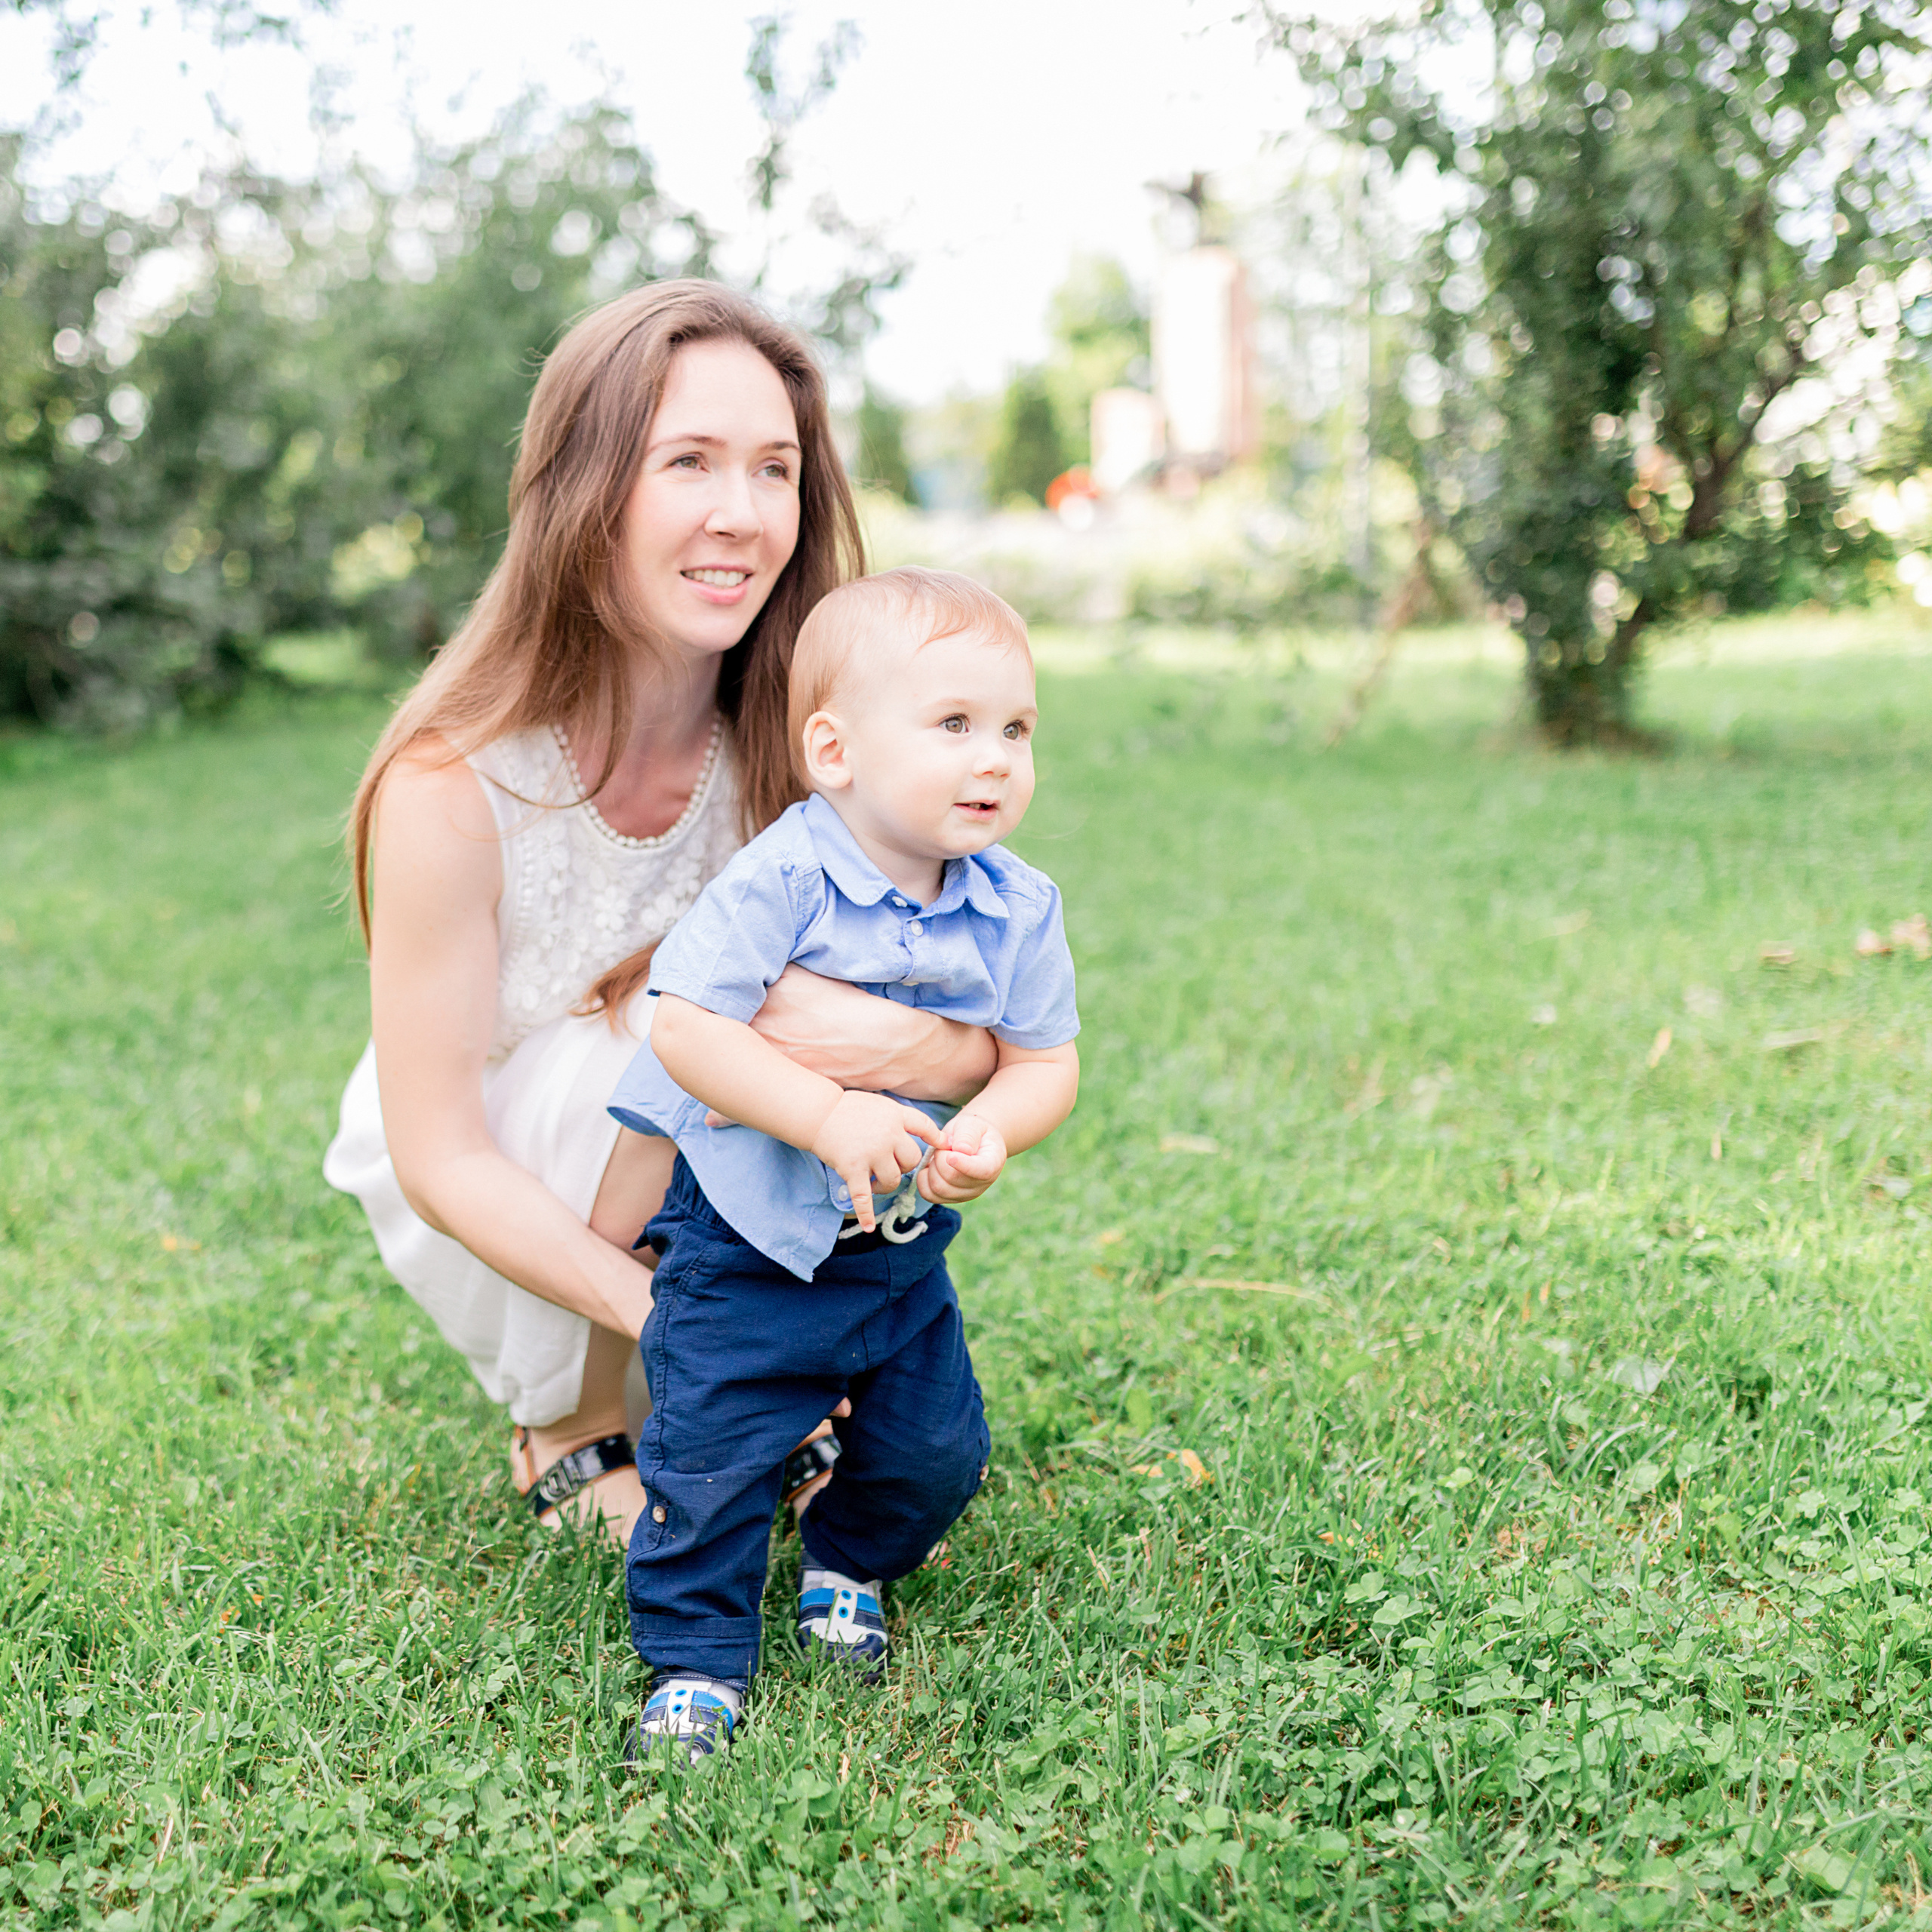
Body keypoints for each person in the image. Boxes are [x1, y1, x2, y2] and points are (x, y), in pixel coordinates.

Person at [323, 284, 997, 1553]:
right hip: (511, 1157)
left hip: (709, 1150)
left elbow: (976, 1030)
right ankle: (571, 1425)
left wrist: (849, 1051)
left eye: (775, 470)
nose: (740, 515)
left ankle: (778, 1376)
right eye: (686, 461)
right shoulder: (450, 783)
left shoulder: (815, 748)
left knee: (764, 1015)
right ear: (588, 490)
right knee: (669, 1031)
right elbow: (440, 1152)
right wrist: (671, 1321)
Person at [606, 567, 1081, 1760]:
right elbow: (685, 1026)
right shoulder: (778, 880)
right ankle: (696, 1661)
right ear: (835, 749)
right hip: (749, 1239)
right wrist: (824, 1115)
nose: (997, 760)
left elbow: (1044, 1061)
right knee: (710, 1458)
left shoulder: (1017, 907)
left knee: (935, 1451)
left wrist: (997, 1128)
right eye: (956, 725)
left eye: (1017, 729)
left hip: (899, 1252)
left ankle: (849, 1561)